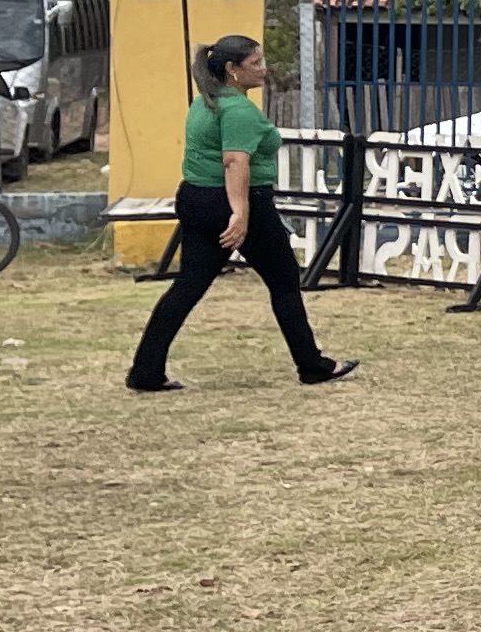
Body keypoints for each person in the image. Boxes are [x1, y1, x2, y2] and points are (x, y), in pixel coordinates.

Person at [126, 34, 357, 395]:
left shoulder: (205, 102)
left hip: (195, 197)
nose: (265, 69)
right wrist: (240, 214)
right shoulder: (239, 111)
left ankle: (146, 370)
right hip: (238, 202)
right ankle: (312, 365)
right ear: (232, 69)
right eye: (256, 63)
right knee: (283, 283)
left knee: (187, 286)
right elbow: (235, 162)